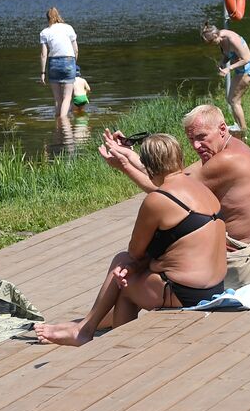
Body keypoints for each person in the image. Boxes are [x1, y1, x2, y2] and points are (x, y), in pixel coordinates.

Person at [34, 133, 226, 345]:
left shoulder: (158, 200)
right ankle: (88, 331)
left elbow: (135, 253)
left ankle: (92, 334)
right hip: (215, 288)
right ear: (179, 158)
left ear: (149, 167)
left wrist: (136, 266)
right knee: (126, 272)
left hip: (188, 293)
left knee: (123, 278)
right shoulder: (202, 189)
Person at [104, 104, 250, 249]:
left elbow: (167, 194)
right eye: (191, 139)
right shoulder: (228, 150)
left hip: (240, 256)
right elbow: (172, 176)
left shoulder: (227, 160)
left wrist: (125, 166)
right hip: (237, 248)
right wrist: (128, 154)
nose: (196, 145)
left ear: (222, 129)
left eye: (201, 137)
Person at [202, 23, 250, 134]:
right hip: (240, 71)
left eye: (211, 42)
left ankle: (243, 130)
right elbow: (228, 55)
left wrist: (228, 69)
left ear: (216, 35)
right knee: (232, 99)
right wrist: (222, 62)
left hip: (247, 70)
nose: (211, 45)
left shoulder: (232, 39)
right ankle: (238, 127)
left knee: (233, 100)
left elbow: (247, 59)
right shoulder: (221, 40)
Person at [39, 7, 79, 120]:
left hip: (53, 64)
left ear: (47, 18)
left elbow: (43, 54)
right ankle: (63, 123)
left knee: (57, 99)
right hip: (68, 61)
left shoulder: (45, 32)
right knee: (67, 98)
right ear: (58, 15)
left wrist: (42, 73)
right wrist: (73, 65)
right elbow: (76, 50)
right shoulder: (69, 28)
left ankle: (58, 128)